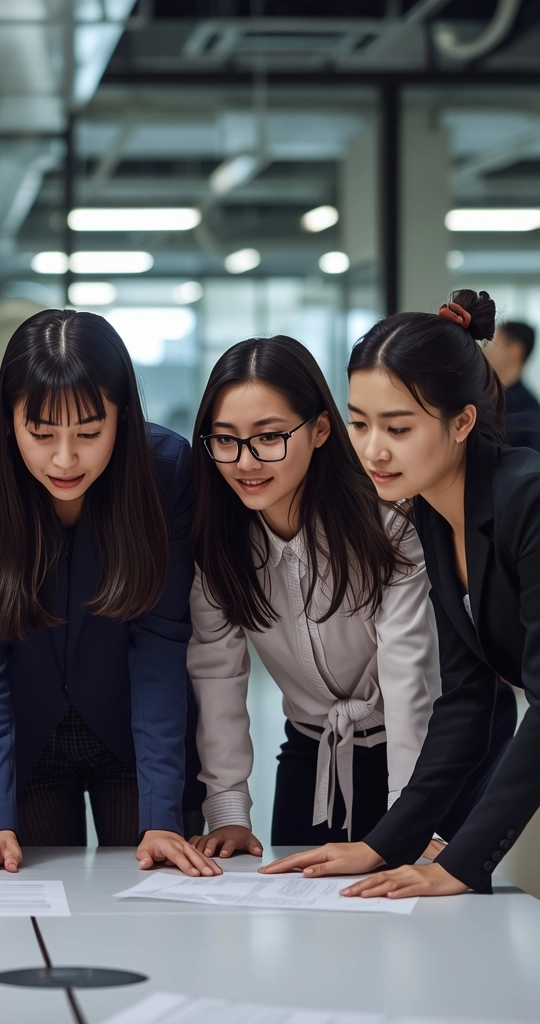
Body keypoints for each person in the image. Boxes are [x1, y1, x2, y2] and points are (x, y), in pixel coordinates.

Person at [264, 288, 535, 898]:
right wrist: (383, 844)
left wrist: (461, 864)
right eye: (360, 423)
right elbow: (466, 698)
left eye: (399, 426)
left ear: (462, 421)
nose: (372, 449)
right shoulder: (432, 514)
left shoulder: (527, 502)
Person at [0, 308, 217, 878]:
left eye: (89, 433)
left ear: (123, 417)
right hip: (18, 738)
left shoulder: (165, 473)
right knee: (32, 902)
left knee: (148, 907)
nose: (65, 459)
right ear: (10, 418)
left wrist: (163, 812)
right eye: (41, 434)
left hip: (134, 737)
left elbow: (160, 643)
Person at [187, 336, 439, 859]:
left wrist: (409, 816)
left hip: (417, 751)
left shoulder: (388, 525)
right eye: (226, 440)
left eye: (270, 436)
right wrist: (229, 810)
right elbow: (217, 672)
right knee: (303, 918)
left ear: (321, 429)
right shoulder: (219, 543)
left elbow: (407, 672)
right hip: (311, 748)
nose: (246, 462)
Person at [484, 320, 540, 450]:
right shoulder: (488, 398)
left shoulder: (528, 411)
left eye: (494, 343)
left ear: (515, 351)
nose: (486, 351)